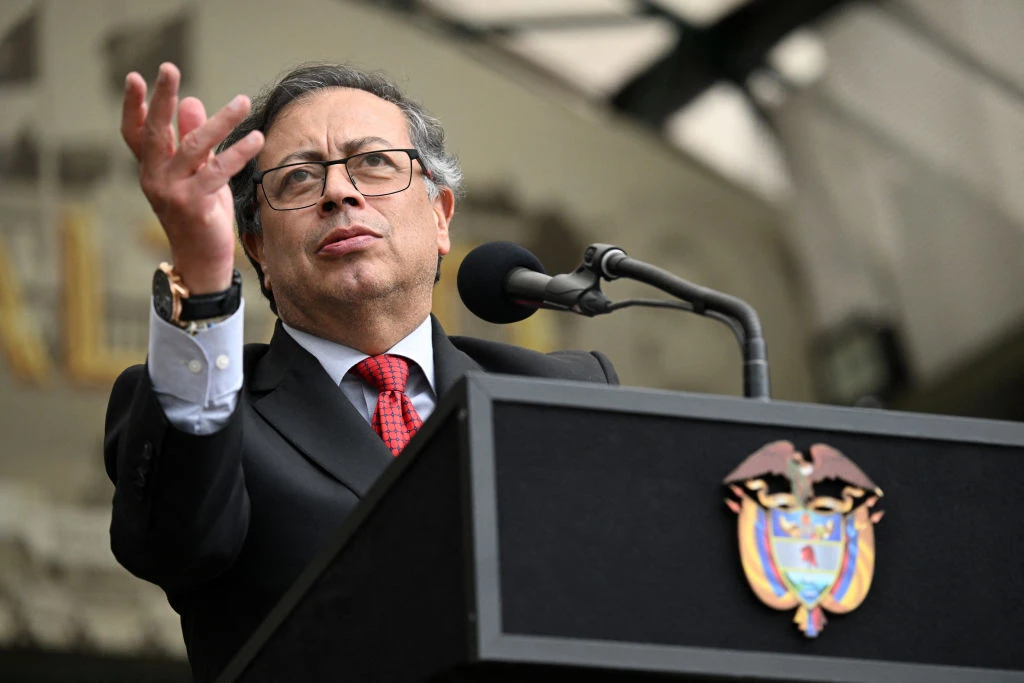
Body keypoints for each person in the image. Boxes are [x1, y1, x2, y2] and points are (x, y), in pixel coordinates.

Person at [103, 62, 618, 681]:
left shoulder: (562, 395)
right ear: (259, 248)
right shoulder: (212, 409)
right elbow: (175, 546)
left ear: (440, 217)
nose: (339, 194)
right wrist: (203, 277)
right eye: (297, 178)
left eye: (373, 163)